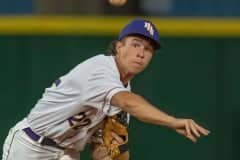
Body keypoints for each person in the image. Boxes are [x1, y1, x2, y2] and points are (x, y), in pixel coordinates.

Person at [2, 19, 210, 160]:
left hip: (67, 153)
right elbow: (128, 102)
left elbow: (101, 145)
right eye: (136, 44)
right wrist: (172, 121)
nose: (141, 53)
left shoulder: (123, 85)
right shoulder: (101, 70)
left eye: (148, 49)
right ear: (119, 46)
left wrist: (106, 153)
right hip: (30, 147)